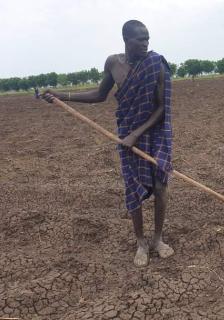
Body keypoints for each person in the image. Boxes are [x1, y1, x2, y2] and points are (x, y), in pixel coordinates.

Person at [42, 20, 174, 267]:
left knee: (160, 184)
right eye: (140, 39)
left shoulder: (156, 64)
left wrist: (138, 133)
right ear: (126, 39)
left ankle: (158, 239)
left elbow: (161, 108)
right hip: (125, 134)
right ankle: (140, 242)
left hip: (154, 133)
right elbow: (99, 95)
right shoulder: (113, 63)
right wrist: (63, 96)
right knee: (132, 185)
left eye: (148, 39)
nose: (146, 43)